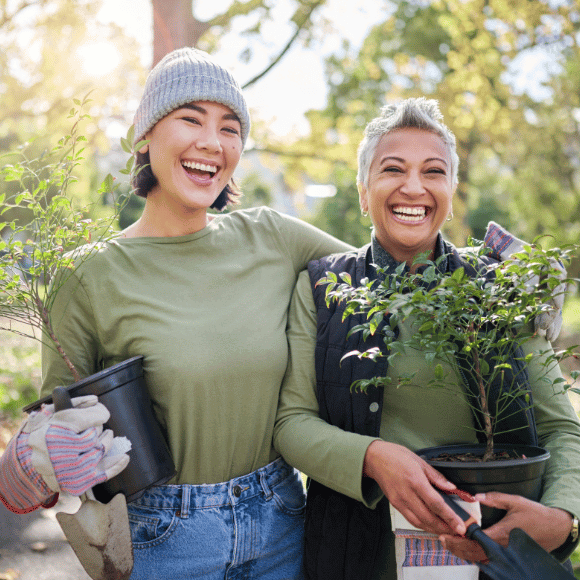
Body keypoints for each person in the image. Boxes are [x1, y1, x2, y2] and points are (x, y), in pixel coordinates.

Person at [0, 53, 565, 579]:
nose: (211, 142)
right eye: (191, 120)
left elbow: (395, 254)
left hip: (281, 523)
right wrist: (35, 461)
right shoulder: (87, 274)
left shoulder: (272, 235)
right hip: (163, 536)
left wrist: (510, 277)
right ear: (144, 136)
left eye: (230, 128)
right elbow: (59, 420)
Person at [273, 97, 580, 580]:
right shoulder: (322, 289)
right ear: (362, 191)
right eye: (392, 169)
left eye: (433, 172)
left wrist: (561, 516)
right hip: (356, 553)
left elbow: (562, 426)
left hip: (492, 552)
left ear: (452, 191)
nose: (413, 187)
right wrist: (372, 458)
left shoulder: (502, 287)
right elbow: (291, 421)